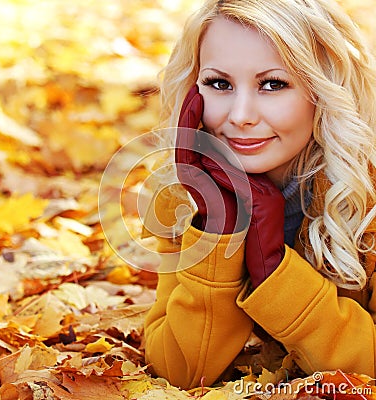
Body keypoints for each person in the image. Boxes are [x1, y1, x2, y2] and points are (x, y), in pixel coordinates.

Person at [143, 0, 376, 390]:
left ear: (324, 91)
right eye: (219, 84)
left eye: (273, 84)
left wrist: (274, 271)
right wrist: (220, 230)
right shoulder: (182, 198)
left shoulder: (366, 199)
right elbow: (179, 372)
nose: (240, 115)